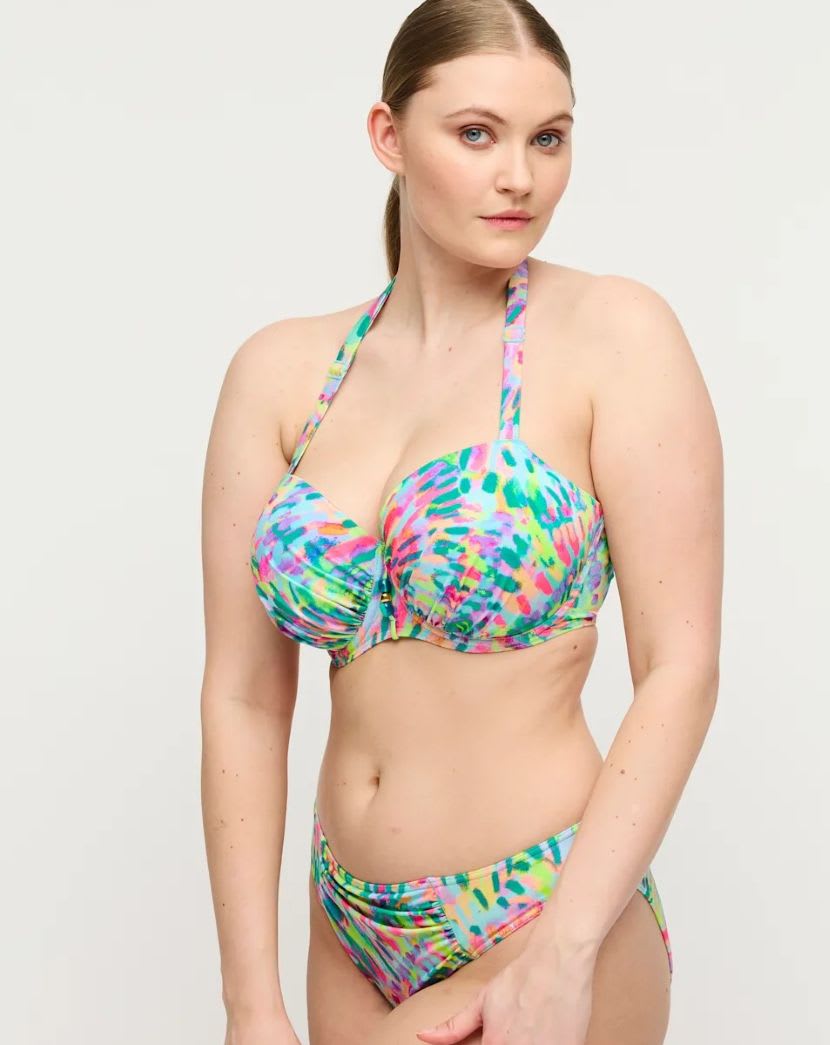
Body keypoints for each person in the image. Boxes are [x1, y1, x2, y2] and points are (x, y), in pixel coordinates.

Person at [200, 1, 723, 1043]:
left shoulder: (614, 334)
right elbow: (245, 697)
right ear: (388, 135)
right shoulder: (280, 373)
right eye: (476, 133)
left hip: (539, 908)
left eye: (548, 138)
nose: (518, 176)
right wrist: (250, 1002)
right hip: (347, 926)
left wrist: (565, 950)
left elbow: (681, 667)